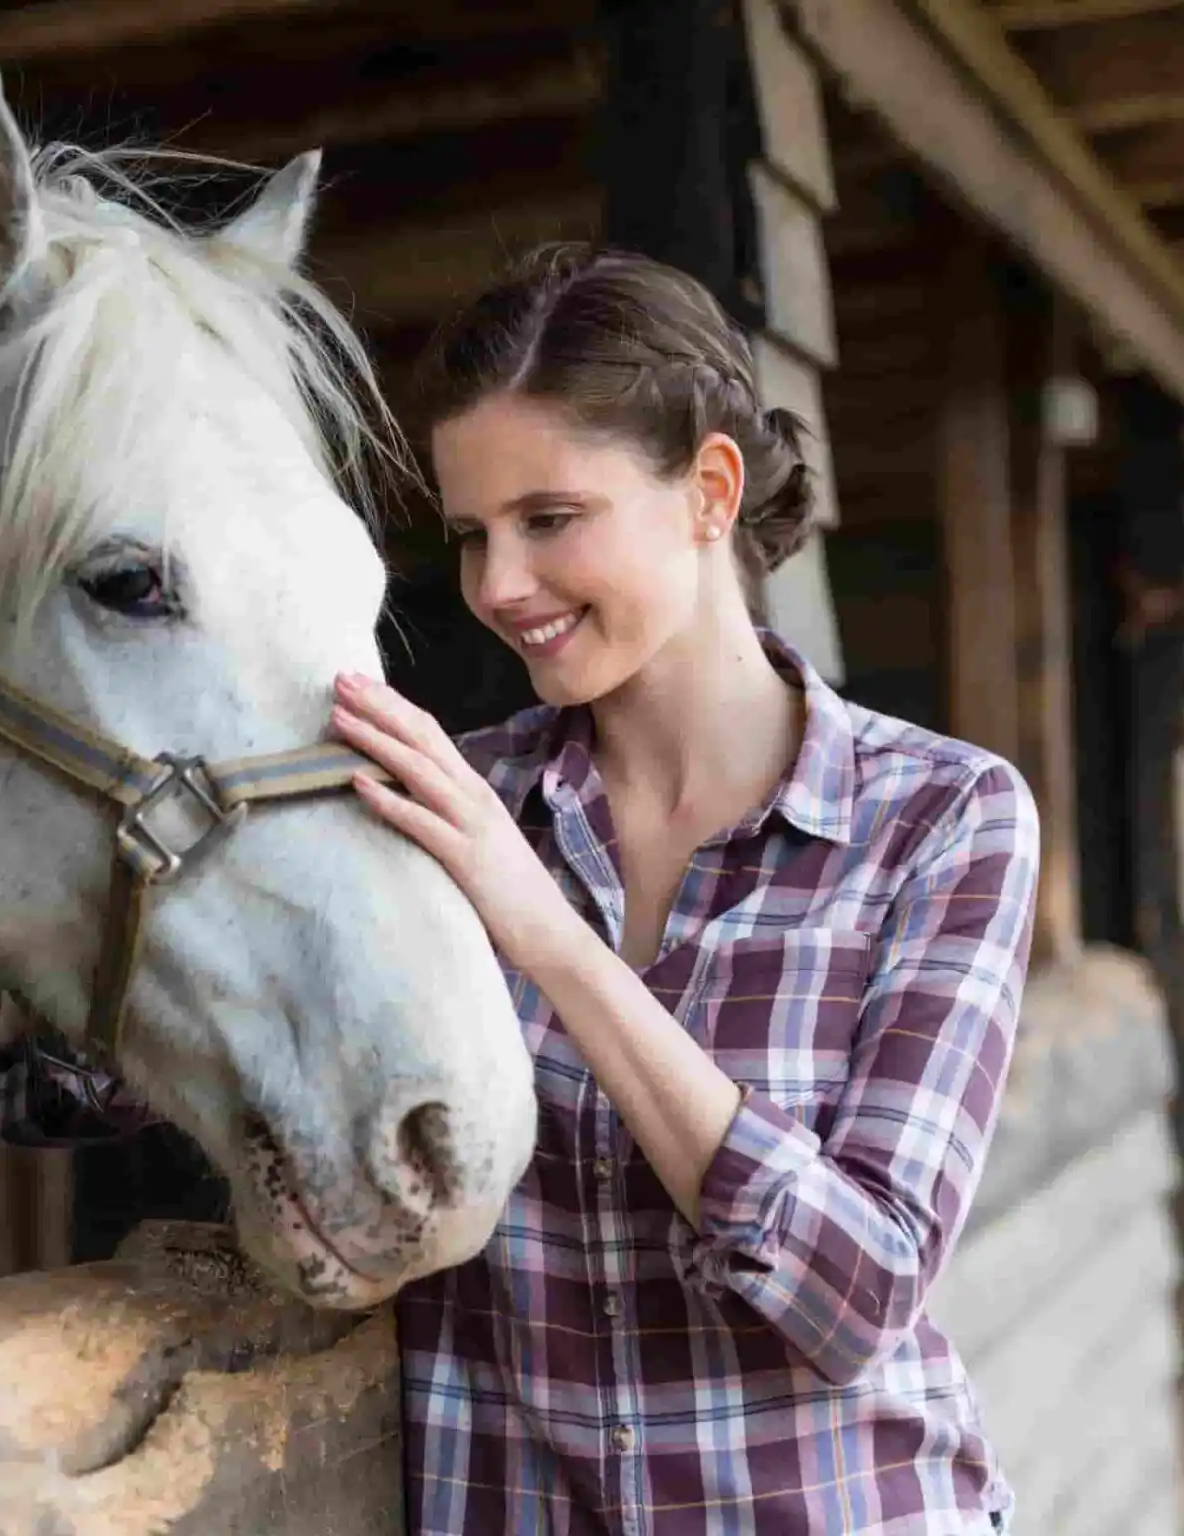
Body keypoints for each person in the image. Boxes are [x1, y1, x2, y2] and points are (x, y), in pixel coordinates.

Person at [328, 244, 1038, 1535]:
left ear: (710, 490)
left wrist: (547, 938)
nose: (495, 587)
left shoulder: (944, 820)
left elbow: (859, 1290)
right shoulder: (443, 805)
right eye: (475, 535)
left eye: (550, 520)